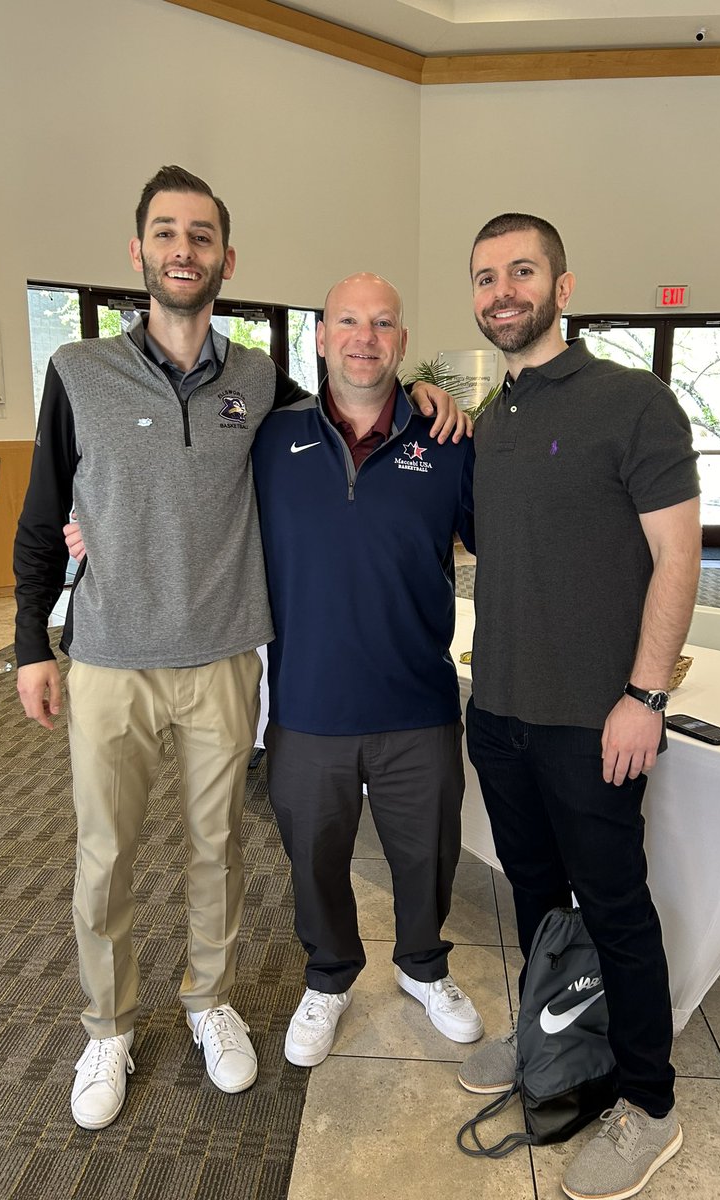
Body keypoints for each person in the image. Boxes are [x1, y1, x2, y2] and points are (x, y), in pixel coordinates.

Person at [13, 166, 467, 1131]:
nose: (185, 250)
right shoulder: (78, 374)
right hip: (105, 657)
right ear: (139, 252)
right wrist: (29, 643)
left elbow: (356, 396)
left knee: (218, 847)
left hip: (224, 657)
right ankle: (109, 1025)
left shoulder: (261, 383)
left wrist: (427, 388)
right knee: (106, 856)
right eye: (167, 234)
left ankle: (210, 1001)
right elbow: (43, 515)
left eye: (203, 236)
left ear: (227, 258)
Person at [454, 213, 701, 1200]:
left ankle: (649, 1104)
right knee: (534, 899)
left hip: (595, 723)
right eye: (485, 277)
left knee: (618, 913)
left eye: (522, 271)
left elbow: (678, 559)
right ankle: (550, 1024)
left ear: (563, 286)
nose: (502, 290)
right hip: (502, 713)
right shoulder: (488, 420)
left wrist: (646, 694)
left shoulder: (634, 404)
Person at [251, 273, 480, 1066]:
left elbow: (508, 541)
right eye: (348, 320)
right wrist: (87, 526)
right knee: (313, 858)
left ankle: (423, 966)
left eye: (383, 323)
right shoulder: (269, 442)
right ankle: (329, 975)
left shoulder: (446, 441)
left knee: (427, 854)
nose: (365, 337)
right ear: (320, 336)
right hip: (308, 706)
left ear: (403, 342)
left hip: (417, 701)